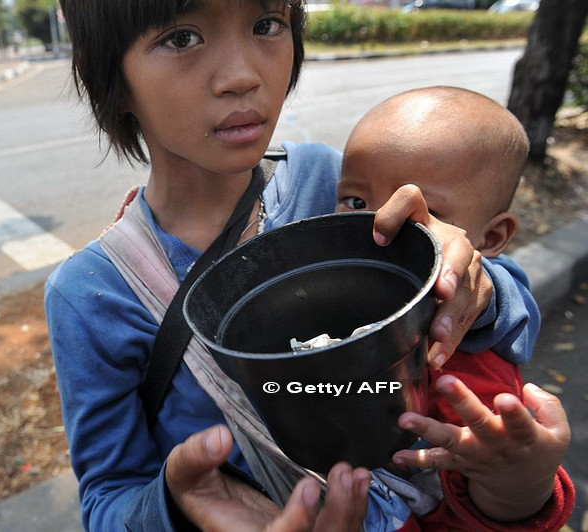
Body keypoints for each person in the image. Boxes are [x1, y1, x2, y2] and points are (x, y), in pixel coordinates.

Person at [44, 1, 571, 530]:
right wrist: (176, 504)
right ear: (109, 73)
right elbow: (109, 498)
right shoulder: (92, 293)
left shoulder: (338, 184)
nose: (242, 76)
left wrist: (470, 278)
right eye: (182, 38)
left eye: (266, 25)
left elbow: (511, 313)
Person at [333, 86, 574, 528]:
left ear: (492, 237)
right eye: (356, 202)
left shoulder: (472, 379)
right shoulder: (334, 303)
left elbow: (508, 502)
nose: (379, 225)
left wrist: (516, 484)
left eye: (425, 212)